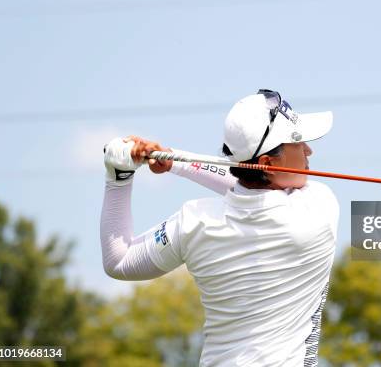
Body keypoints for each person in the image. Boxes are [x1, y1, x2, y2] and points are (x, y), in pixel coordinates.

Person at [100, 89, 339, 366]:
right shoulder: (318, 207)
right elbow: (242, 184)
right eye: (297, 143)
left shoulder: (195, 221)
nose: (309, 150)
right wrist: (176, 160)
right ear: (268, 164)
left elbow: (119, 260)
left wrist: (118, 176)